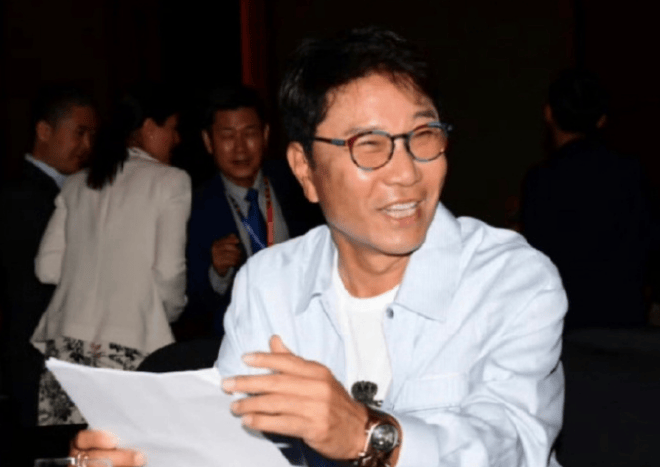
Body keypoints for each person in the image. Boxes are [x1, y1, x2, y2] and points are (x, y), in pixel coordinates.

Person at [71, 27, 566, 467]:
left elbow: (514, 446)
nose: (406, 171)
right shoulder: (269, 284)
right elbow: (236, 447)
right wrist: (152, 456)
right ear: (305, 169)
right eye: (368, 144)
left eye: (423, 134)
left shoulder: (510, 278)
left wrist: (367, 435)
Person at [31, 84, 191, 426]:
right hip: (131, 342)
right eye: (173, 128)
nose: (176, 139)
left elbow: (47, 268)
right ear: (148, 127)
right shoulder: (171, 181)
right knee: (128, 446)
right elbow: (169, 273)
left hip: (65, 344)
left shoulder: (77, 182)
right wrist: (165, 311)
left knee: (70, 448)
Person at [181, 85, 323, 339]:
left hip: (305, 333)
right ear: (208, 141)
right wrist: (217, 273)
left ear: (265, 135)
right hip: (236, 342)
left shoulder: (298, 185)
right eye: (227, 136)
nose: (240, 148)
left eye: (249, 134)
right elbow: (191, 308)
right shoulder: (195, 208)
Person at [522, 69, 657, 331]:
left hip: (563, 324)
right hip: (625, 319)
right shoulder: (631, 173)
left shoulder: (541, 180)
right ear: (602, 120)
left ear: (548, 113)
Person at [0, 85, 98, 429]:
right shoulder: (20, 196)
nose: (87, 146)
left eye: (92, 136)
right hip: (30, 353)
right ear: (44, 131)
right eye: (79, 133)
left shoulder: (78, 189)